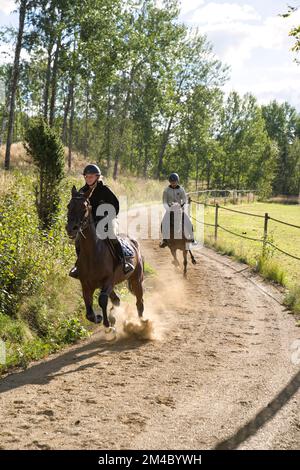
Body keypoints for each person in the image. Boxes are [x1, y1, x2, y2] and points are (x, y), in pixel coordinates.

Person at [69, 164, 134, 278]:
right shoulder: (82, 191)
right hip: (89, 223)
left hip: (108, 220)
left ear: (97, 177)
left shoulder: (105, 190)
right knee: (78, 239)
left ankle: (124, 263)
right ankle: (78, 266)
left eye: (91, 176)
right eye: (87, 177)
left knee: (112, 235)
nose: (88, 179)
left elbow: (116, 206)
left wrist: (105, 218)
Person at [160, 173, 194, 247]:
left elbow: (185, 200)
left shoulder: (181, 189)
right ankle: (164, 239)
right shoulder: (166, 190)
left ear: (177, 181)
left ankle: (192, 238)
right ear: (170, 182)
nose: (173, 183)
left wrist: (182, 207)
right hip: (170, 211)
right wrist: (169, 209)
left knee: (188, 222)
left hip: (179, 210)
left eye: (174, 181)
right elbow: (164, 202)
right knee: (163, 223)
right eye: (172, 182)